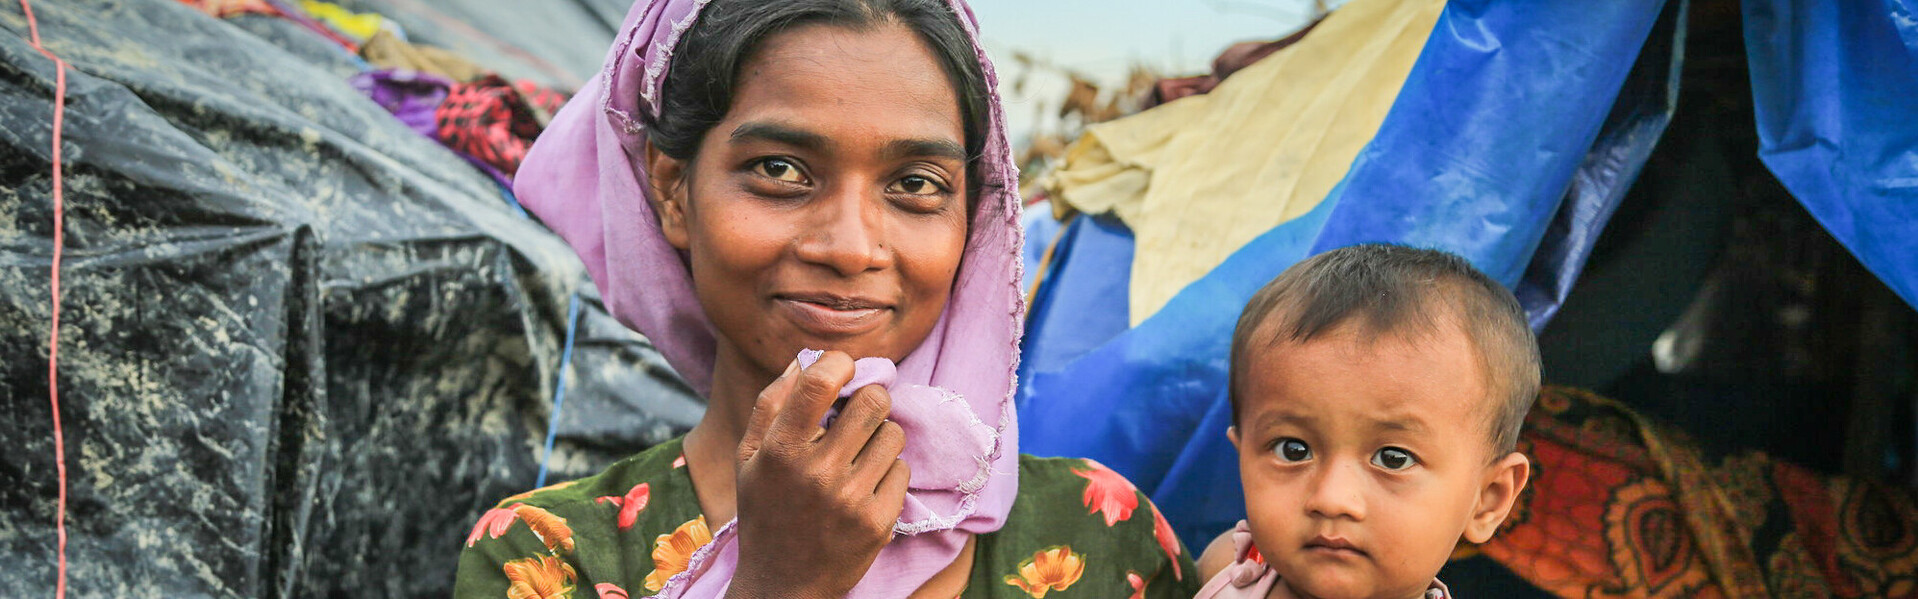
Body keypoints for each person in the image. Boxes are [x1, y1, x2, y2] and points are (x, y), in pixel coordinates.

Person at [453, 0, 1196, 597]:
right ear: (673, 189)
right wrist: (782, 582)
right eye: (780, 169)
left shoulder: (1105, 537)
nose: (850, 245)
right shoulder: (548, 558)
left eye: (915, 185)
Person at [1194, 244, 1537, 599]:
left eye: (1393, 458)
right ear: (1243, 458)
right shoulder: (1229, 569)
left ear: (1487, 499)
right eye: (1293, 450)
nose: (1332, 499)